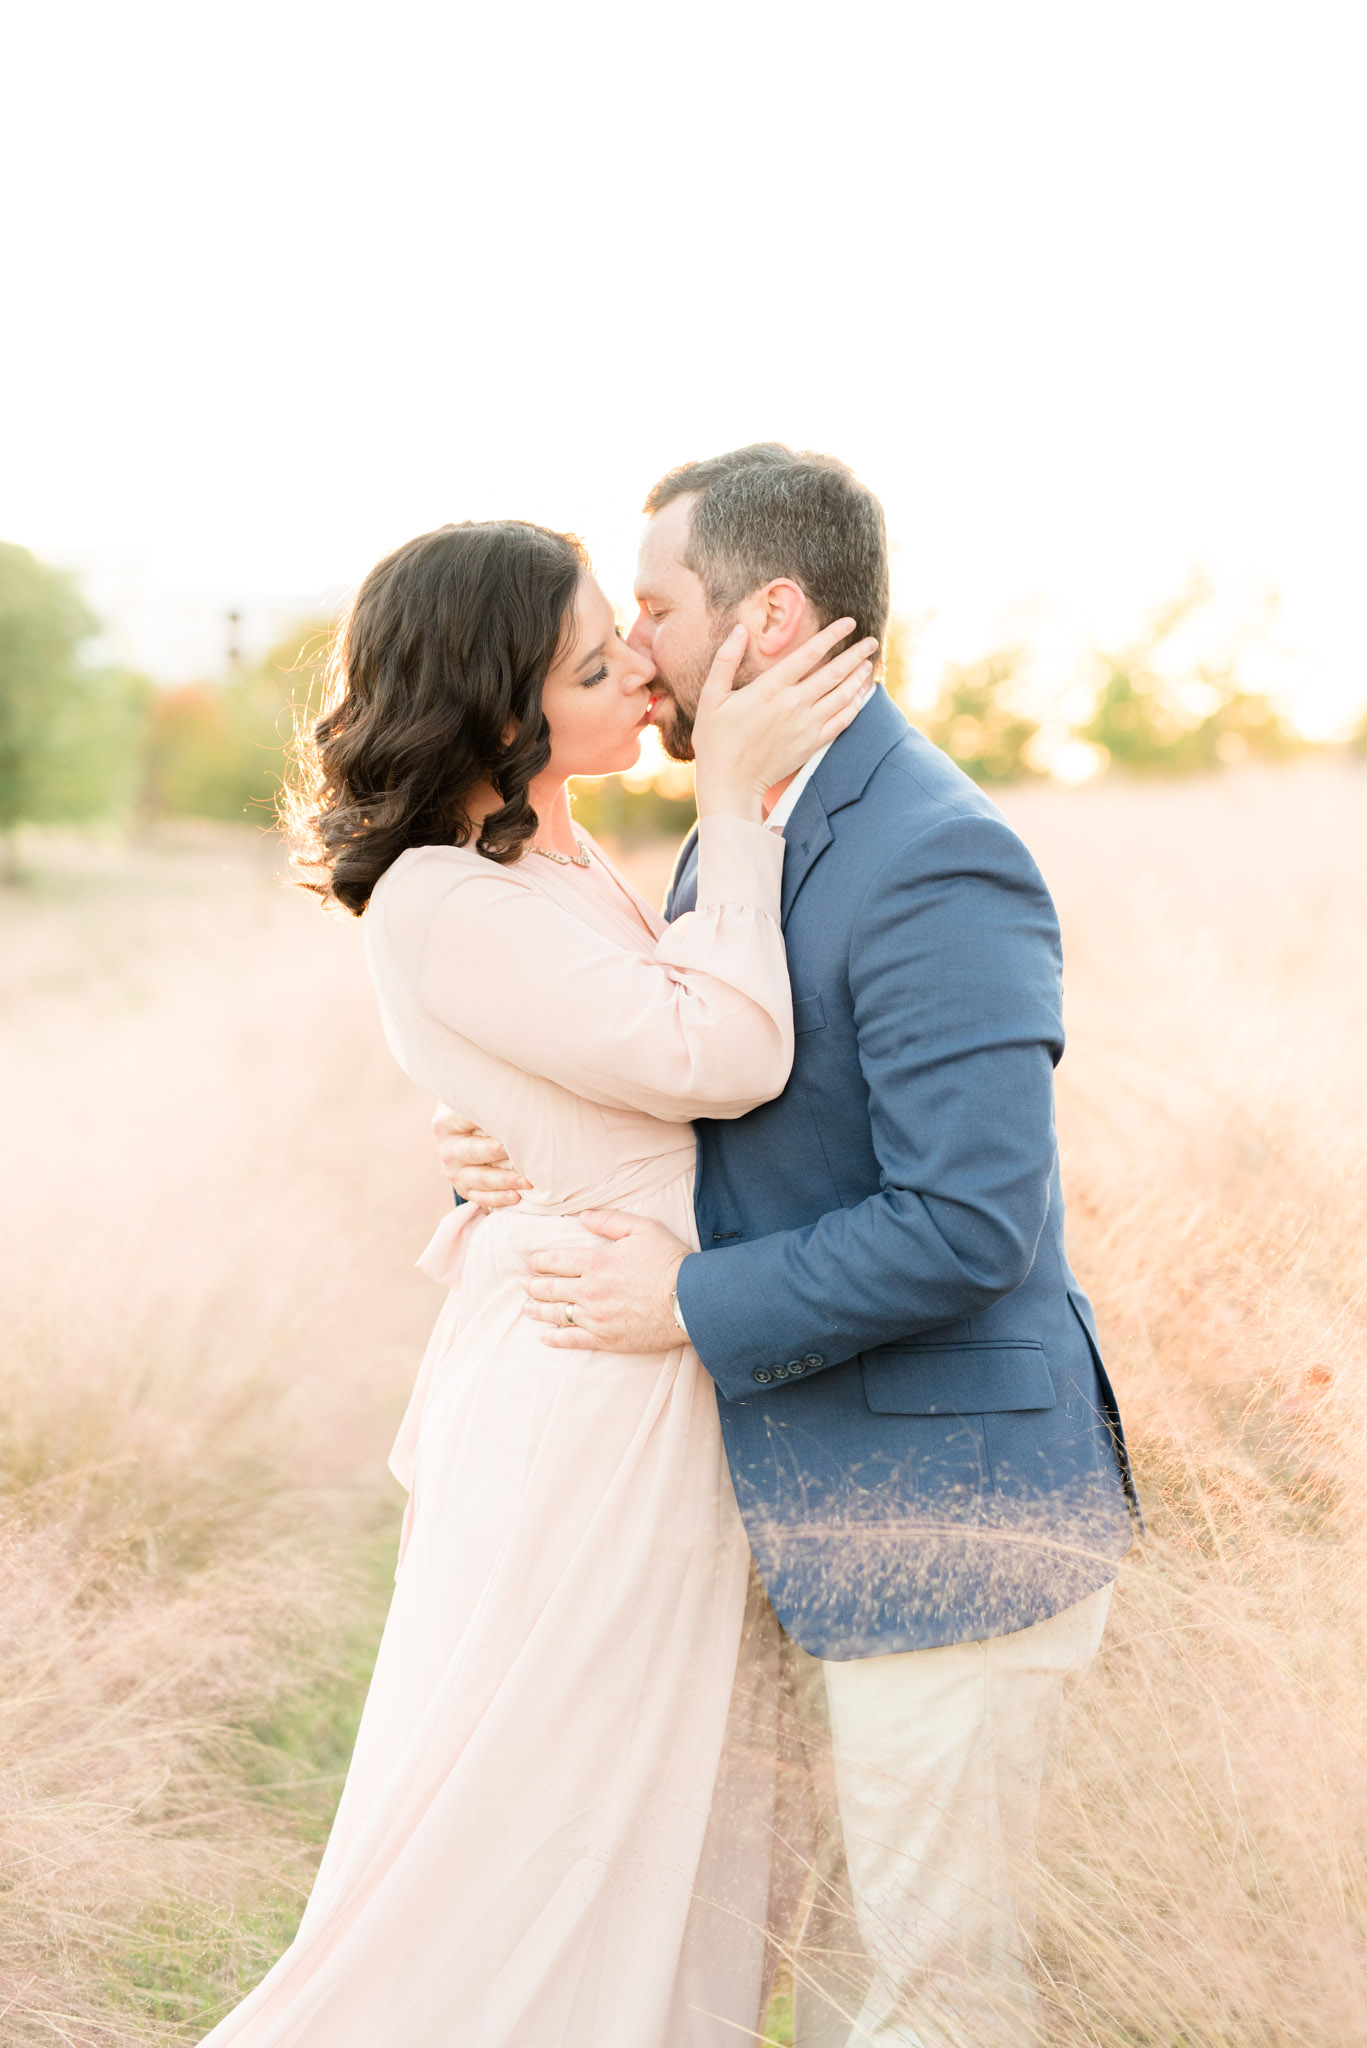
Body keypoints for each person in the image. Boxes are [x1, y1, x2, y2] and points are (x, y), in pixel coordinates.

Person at [439, 445, 1143, 2048]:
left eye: (661, 606)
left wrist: (685, 1299)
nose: (636, 647)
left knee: (930, 1996)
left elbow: (971, 1225)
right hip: (799, 1509)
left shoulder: (931, 854)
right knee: (815, 1989)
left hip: (949, 1520)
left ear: (769, 616)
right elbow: (706, 1087)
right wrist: (499, 1151)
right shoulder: (738, 828)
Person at [195, 516, 873, 2048]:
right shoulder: (444, 896)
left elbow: (589, 1073)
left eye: (625, 634)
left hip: (635, 1353)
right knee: (533, 1809)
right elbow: (724, 1051)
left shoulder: (548, 855)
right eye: (594, 659)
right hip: (588, 1391)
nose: (642, 662)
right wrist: (739, 808)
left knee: (644, 1811)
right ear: (502, 715)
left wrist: (497, 1141)